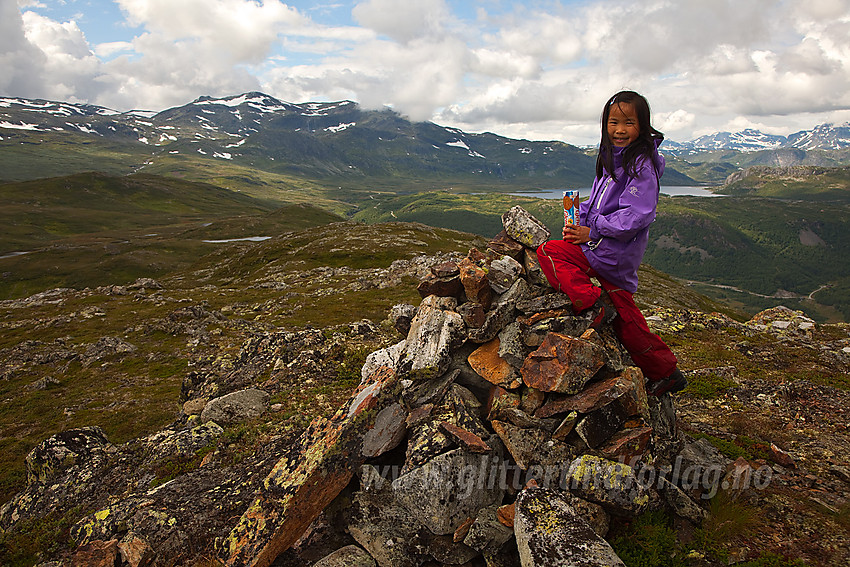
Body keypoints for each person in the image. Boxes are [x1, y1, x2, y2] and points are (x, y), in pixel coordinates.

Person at [536, 90, 687, 396]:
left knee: (550, 252)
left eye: (628, 122)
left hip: (611, 252)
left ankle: (592, 303)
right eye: (613, 121)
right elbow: (602, 200)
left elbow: (637, 215)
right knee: (628, 319)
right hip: (606, 249)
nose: (619, 129)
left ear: (642, 127)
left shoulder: (641, 165)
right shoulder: (612, 158)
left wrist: (593, 232)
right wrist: (584, 217)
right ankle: (667, 372)